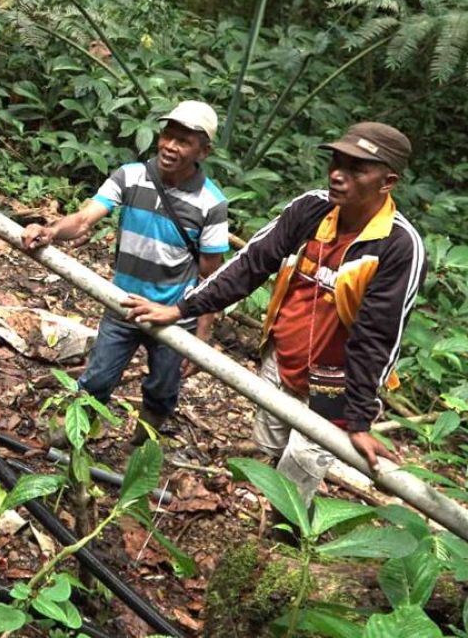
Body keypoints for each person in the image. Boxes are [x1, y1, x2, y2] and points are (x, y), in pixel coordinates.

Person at [127, 122, 426, 504]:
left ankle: (285, 539)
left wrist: (359, 418)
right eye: (337, 161)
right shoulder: (311, 209)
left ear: (387, 181)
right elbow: (251, 263)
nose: (338, 174)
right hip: (282, 355)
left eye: (356, 169)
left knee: (302, 461)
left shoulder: (399, 245)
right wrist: (182, 308)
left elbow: (379, 336)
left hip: (336, 377)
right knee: (269, 445)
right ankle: (264, 516)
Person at [23, 101, 229, 443]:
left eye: (184, 142)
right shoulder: (130, 176)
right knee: (97, 379)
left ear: (203, 151)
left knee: (163, 389)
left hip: (173, 319)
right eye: (167, 135)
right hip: (124, 305)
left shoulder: (212, 203)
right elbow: (85, 217)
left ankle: (140, 451)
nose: (170, 146)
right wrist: (50, 231)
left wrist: (202, 337)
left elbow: (210, 276)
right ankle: (70, 443)